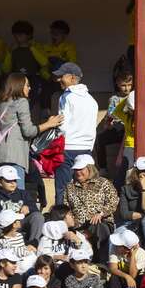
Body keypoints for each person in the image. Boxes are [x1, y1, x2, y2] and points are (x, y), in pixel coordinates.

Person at [50, 63, 99, 205]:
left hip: (67, 147)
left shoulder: (66, 97)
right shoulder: (92, 100)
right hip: (86, 149)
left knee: (63, 189)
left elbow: (62, 124)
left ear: (72, 78)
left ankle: (61, 221)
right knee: (86, 188)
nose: (59, 80)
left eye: (61, 77)